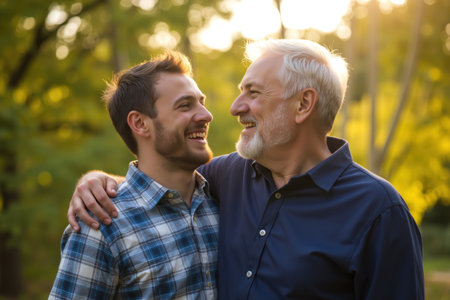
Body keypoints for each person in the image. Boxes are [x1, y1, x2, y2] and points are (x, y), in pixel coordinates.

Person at [68, 39, 424, 299]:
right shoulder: (226, 177)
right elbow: (156, 183)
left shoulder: (379, 211)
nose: (236, 107)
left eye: (253, 93)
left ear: (303, 104)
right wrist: (97, 182)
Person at [50, 51, 219, 299]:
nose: (206, 115)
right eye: (185, 105)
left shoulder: (224, 198)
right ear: (140, 123)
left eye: (201, 102)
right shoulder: (101, 227)